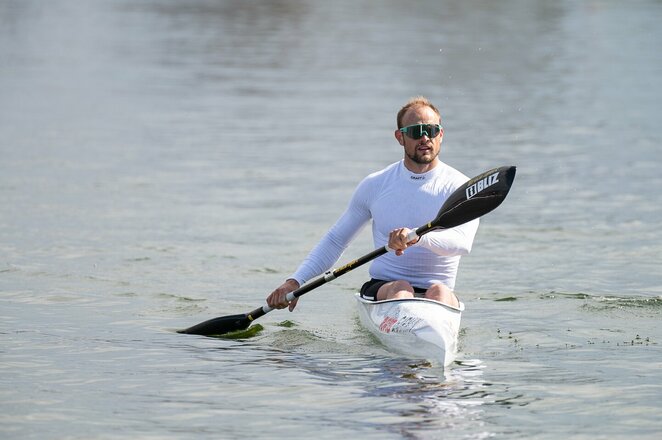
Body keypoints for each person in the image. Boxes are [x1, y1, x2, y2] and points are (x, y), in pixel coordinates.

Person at [266, 96, 479, 312]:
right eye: (416, 131)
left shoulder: (461, 187)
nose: (425, 138)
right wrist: (295, 281)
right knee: (401, 288)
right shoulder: (376, 185)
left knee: (440, 292)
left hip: (439, 290)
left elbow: (462, 244)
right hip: (384, 287)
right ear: (400, 137)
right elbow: (336, 240)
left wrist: (417, 237)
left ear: (440, 134)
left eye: (431, 130)